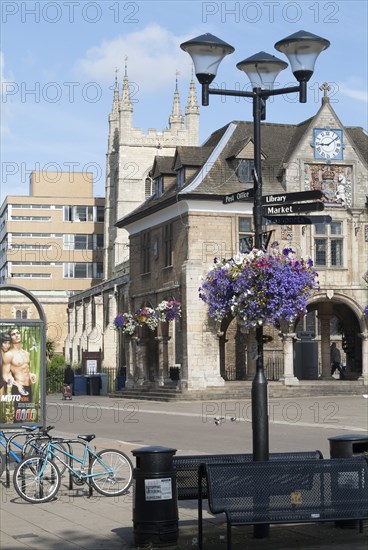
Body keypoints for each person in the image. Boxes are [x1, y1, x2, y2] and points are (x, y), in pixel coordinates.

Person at [2, 328, 37, 398]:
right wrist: (15, 385)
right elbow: (5, 376)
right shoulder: (9, 355)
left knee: (29, 409)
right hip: (18, 388)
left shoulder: (26, 353)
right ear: (10, 338)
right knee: (19, 409)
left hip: (29, 387)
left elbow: (23, 369)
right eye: (13, 334)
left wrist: (31, 374)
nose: (17, 335)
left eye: (18, 333)